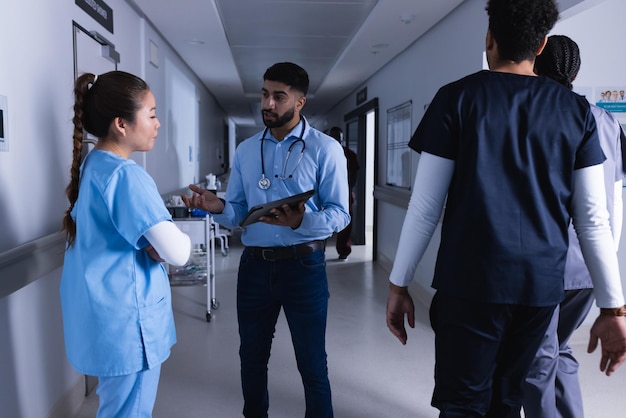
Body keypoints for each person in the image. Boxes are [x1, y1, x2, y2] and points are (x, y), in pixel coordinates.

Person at [385, 0, 626, 416]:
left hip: (469, 286)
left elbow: (425, 208)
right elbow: (592, 220)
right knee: (508, 402)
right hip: (538, 291)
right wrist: (612, 306)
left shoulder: (457, 99)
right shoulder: (576, 112)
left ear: (490, 38)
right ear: (542, 44)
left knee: (463, 404)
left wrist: (398, 284)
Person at [182, 62, 349, 417]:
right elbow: (240, 211)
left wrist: (303, 221)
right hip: (255, 266)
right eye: (264, 94)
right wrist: (218, 206)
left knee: (312, 364)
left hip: (304, 266)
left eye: (278, 96)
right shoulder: (246, 151)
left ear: (300, 102)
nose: (268, 104)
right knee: (251, 357)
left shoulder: (324, 149)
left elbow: (340, 214)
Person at [60, 71, 191, 417]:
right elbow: (179, 251)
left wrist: (151, 242)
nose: (157, 123)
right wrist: (163, 244)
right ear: (121, 123)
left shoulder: (94, 165)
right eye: (151, 114)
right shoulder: (125, 175)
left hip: (105, 318)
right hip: (127, 325)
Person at [523, 34, 626, 418]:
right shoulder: (606, 120)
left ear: (535, 61)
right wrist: (608, 266)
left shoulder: (538, 114)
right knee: (558, 348)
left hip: (549, 263)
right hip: (591, 265)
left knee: (538, 357)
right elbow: (615, 196)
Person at [329, 126, 359, 260]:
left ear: (342, 139)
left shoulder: (349, 155)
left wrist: (346, 190)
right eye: (334, 137)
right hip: (326, 191)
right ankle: (319, 249)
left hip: (345, 193)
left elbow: (353, 176)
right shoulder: (324, 153)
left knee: (345, 221)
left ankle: (343, 250)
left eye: (338, 138)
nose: (336, 140)